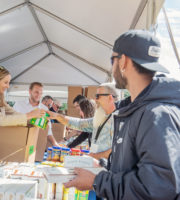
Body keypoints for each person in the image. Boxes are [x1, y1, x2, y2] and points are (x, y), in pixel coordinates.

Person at [64, 30, 180, 199]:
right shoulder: (135, 109)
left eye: (113, 60)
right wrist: (103, 165)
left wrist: (97, 181)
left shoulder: (156, 115)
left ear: (123, 61)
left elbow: (157, 188)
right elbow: (134, 167)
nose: (112, 67)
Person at [48, 82, 118, 160]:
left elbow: (115, 150)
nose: (95, 99)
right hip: (97, 166)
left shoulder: (120, 120)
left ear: (110, 98)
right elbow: (79, 124)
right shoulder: (100, 118)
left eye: (98, 96)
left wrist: (92, 156)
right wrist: (57, 116)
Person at [13, 82, 59, 147]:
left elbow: (48, 130)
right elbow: (11, 121)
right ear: (30, 91)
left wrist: (55, 143)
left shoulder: (44, 109)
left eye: (41, 93)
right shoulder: (18, 104)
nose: (39, 95)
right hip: (18, 142)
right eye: (36, 92)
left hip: (35, 144)